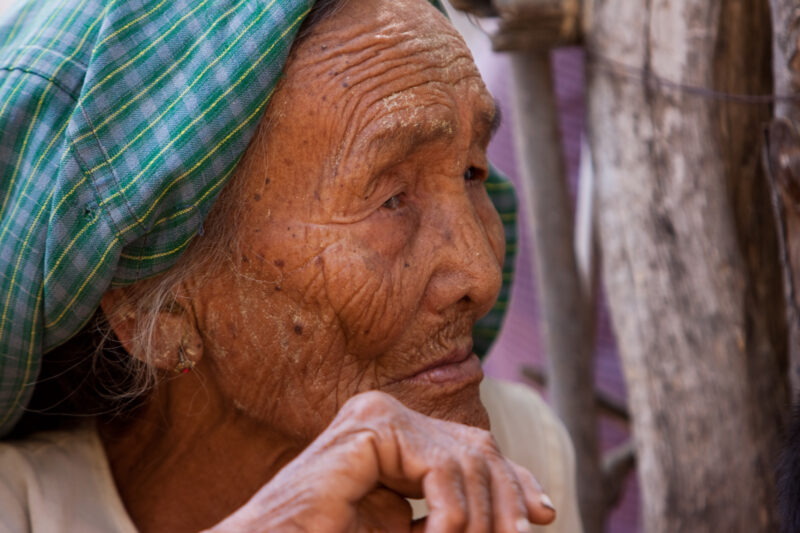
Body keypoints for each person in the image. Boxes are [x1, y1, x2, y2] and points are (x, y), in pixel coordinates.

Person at [0, 0, 582, 531]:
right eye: (391, 200)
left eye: (471, 172)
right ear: (161, 312)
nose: (480, 276)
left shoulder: (510, 453)